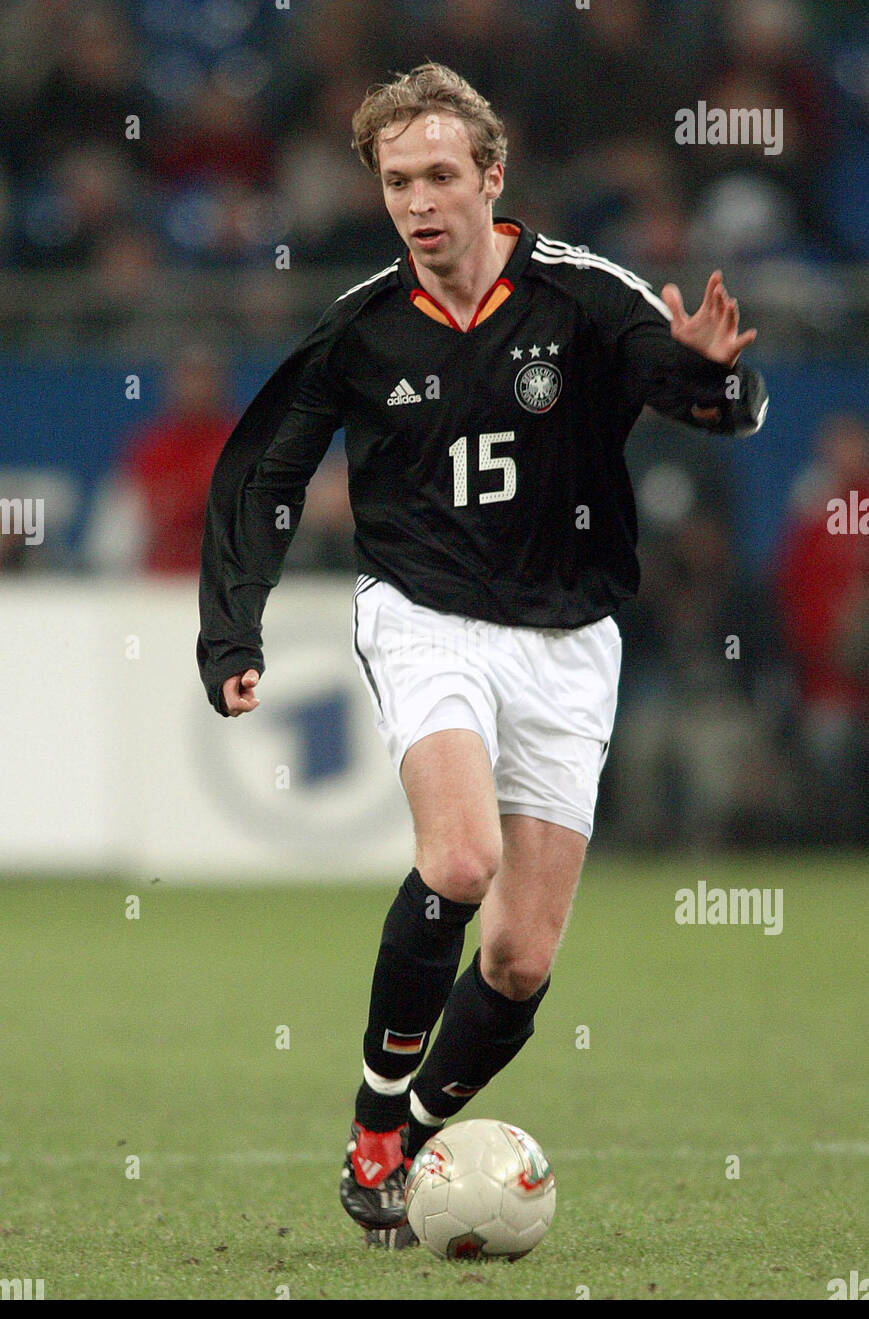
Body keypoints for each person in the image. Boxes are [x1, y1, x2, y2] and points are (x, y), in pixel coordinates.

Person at [196, 62, 768, 1248]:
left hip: (568, 640)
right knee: (457, 860)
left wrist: (720, 380)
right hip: (425, 613)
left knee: (516, 957)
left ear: (490, 177)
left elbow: (700, 389)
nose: (417, 199)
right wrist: (232, 625)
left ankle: (400, 1144)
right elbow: (263, 469)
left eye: (439, 174)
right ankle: (370, 1123)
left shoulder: (577, 296)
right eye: (396, 179)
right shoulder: (358, 326)